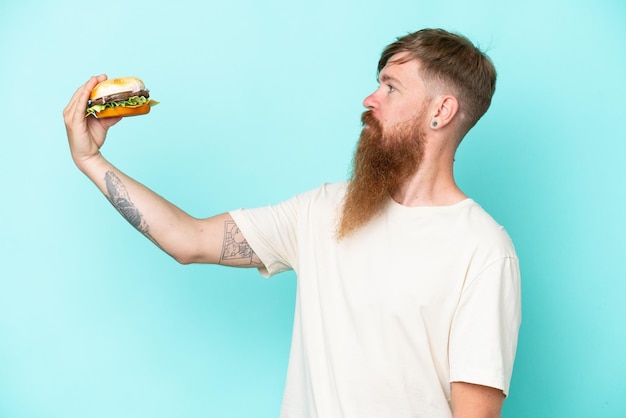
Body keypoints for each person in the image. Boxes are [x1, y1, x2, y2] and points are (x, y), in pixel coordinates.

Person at [64, 28, 521, 418]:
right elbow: (190, 239)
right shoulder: (323, 210)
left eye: (391, 88)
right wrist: (90, 159)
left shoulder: (481, 249)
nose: (369, 99)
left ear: (440, 112)